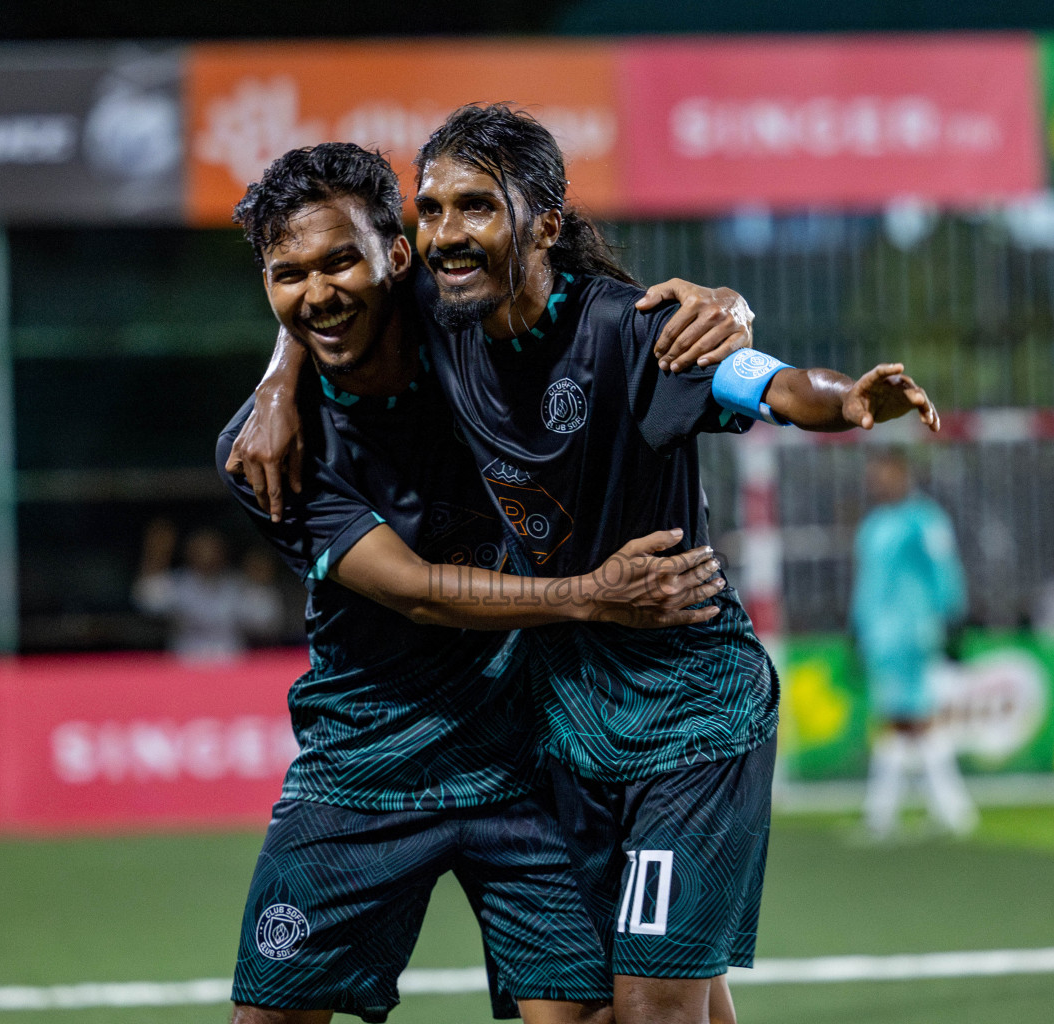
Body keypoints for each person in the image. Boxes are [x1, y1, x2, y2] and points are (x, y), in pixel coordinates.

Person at [233, 105, 940, 1024]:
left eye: (476, 207)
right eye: (435, 209)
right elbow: (335, 293)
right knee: (667, 996)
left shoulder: (621, 328)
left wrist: (837, 397)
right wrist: (278, 375)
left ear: (545, 224)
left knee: (640, 1006)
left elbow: (762, 381)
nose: (449, 231)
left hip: (642, 716)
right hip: (514, 729)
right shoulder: (408, 351)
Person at [219, 142, 746, 1024]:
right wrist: (590, 594)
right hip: (365, 757)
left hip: (525, 752)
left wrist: (723, 305)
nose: (318, 292)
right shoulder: (267, 450)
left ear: (397, 256)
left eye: (344, 260)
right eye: (288, 275)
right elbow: (421, 590)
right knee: (269, 1018)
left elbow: (587, 303)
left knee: (633, 1006)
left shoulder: (469, 325)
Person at [852, 450, 974, 840]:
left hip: (915, 631)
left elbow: (945, 571)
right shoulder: (871, 527)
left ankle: (932, 811)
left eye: (886, 473)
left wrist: (953, 618)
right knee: (901, 722)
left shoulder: (925, 520)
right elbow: (866, 585)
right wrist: (857, 629)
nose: (878, 482)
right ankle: (936, 811)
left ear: (903, 475)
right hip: (879, 638)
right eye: (874, 475)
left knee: (912, 718)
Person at [132, 519, 282, 662]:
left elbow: (265, 620)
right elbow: (147, 602)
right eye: (201, 547)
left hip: (232, 667)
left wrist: (259, 582)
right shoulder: (178, 583)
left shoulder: (237, 585)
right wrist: (157, 554)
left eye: (212, 547)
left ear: (223, 551)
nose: (207, 553)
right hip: (184, 665)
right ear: (189, 550)